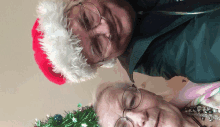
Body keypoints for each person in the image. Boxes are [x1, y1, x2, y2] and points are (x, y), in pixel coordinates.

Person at [32, 0, 220, 85]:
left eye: (87, 19)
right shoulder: (162, 58)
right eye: (97, 46)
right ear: (104, 62)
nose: (104, 27)